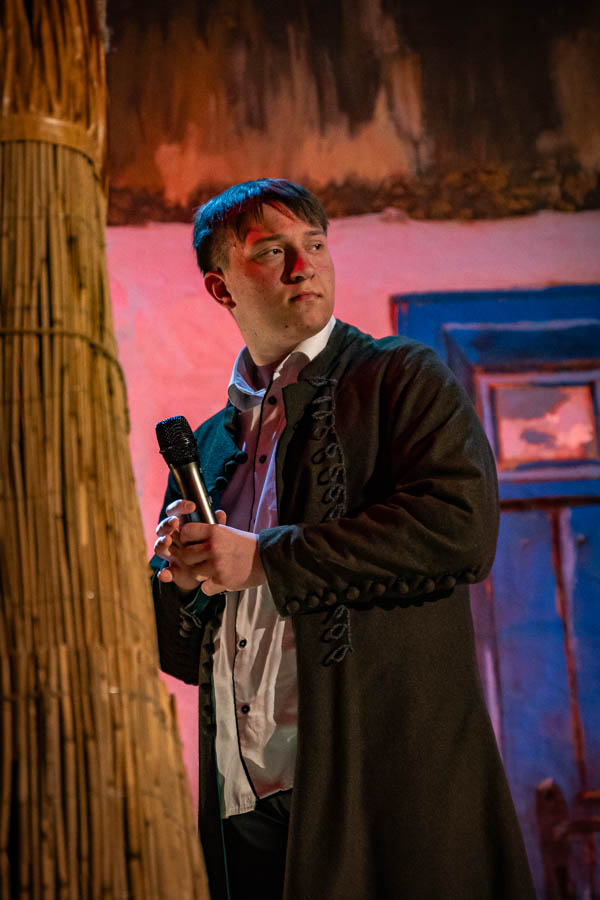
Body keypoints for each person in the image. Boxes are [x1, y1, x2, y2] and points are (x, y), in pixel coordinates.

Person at [151, 178, 535, 900]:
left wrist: (262, 558)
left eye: (315, 245)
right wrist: (182, 580)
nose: (305, 267)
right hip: (244, 800)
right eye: (273, 251)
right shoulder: (207, 444)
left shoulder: (400, 377)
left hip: (378, 790)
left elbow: (460, 527)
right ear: (221, 286)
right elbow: (184, 658)